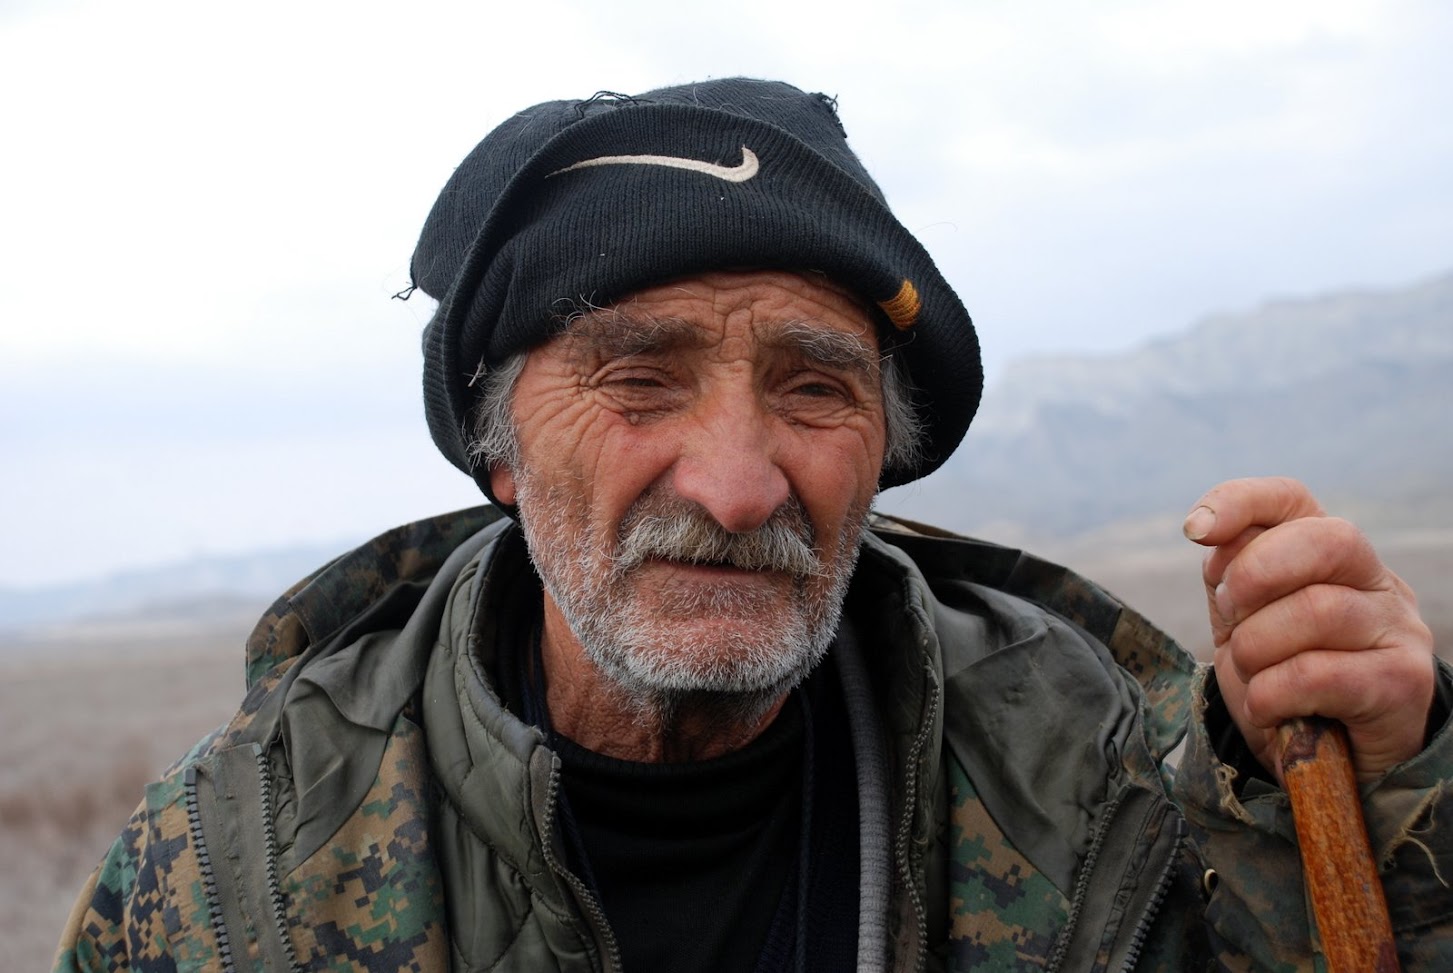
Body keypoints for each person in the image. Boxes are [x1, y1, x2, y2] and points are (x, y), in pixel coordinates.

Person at [54, 78, 1447, 972]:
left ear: (881, 454)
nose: (735, 484)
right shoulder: (238, 860)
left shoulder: (1114, 783)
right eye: (640, 378)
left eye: (812, 388)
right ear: (496, 449)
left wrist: (1401, 790)